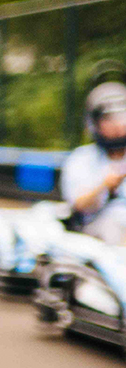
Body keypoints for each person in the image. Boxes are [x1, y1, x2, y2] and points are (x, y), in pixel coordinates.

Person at [61, 77, 126, 244]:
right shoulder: (82, 158)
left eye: (122, 116)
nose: (118, 124)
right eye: (108, 118)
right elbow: (79, 205)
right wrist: (105, 186)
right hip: (98, 233)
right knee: (112, 227)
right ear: (94, 123)